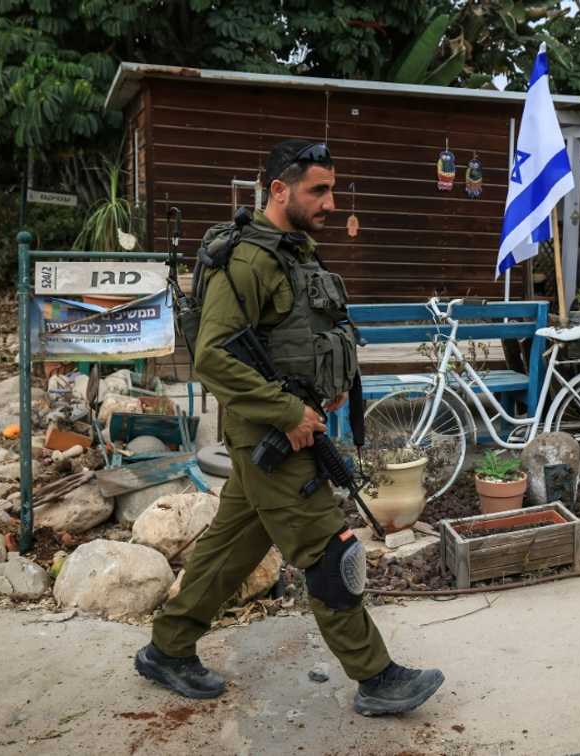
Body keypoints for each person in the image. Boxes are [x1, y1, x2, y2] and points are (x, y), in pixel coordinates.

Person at [134, 139, 444, 716]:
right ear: (279, 190)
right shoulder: (249, 262)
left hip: (289, 432)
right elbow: (212, 356)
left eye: (331, 189)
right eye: (317, 190)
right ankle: (377, 677)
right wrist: (287, 412)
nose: (329, 202)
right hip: (277, 438)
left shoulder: (295, 255)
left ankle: (167, 649)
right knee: (330, 554)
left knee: (229, 550)